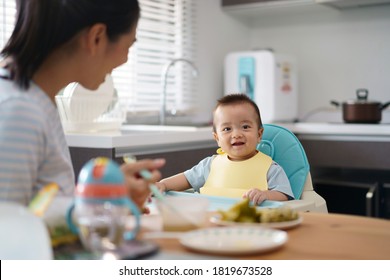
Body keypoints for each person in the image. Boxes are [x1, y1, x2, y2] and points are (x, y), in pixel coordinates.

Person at [0, 0, 164, 209]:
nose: (125, 59)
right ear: (97, 38)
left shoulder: (36, 101)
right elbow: (7, 231)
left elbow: (38, 209)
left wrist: (106, 195)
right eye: (129, 45)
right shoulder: (18, 111)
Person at [156, 93, 294, 205]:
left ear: (259, 134)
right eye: (227, 129)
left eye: (245, 127)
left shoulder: (270, 168)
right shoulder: (209, 165)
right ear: (217, 139)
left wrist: (266, 195)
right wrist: (163, 185)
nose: (236, 134)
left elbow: (284, 195)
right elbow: (186, 179)